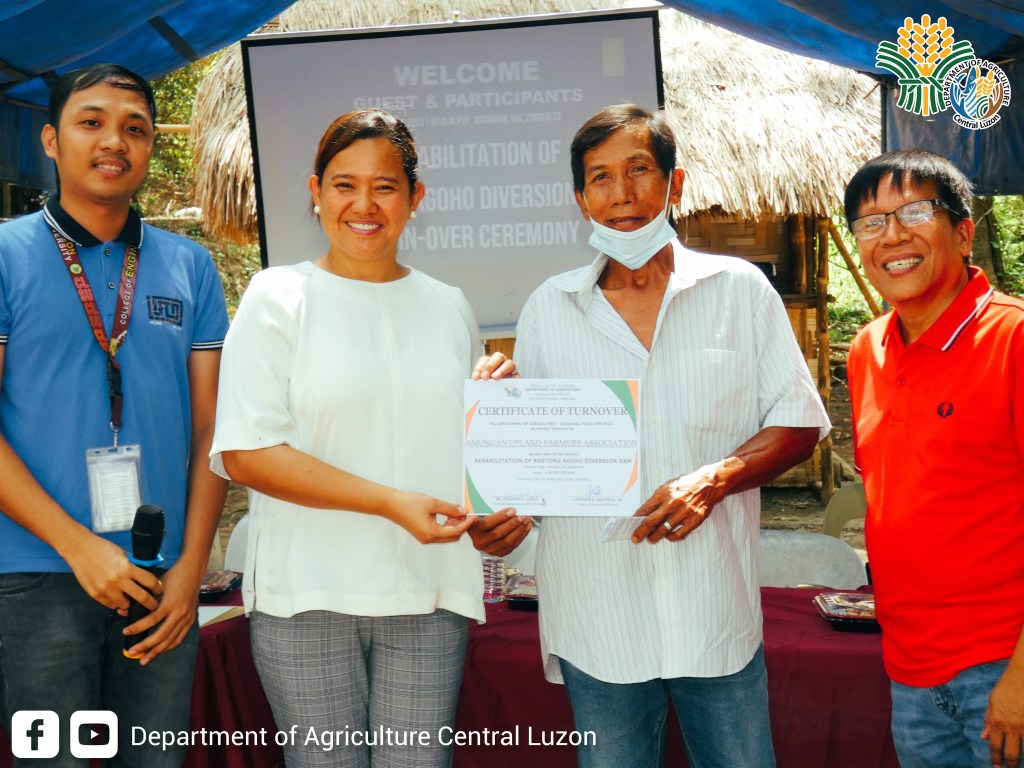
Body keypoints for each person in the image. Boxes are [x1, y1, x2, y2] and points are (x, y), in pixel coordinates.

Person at [209, 109, 530, 768]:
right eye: (343, 184)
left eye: (385, 186)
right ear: (316, 191)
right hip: (307, 598)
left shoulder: (449, 305)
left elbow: (455, 449)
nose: (364, 204)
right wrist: (390, 503)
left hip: (428, 593)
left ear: (415, 198)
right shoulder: (277, 298)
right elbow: (247, 452)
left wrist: (501, 479)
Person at [512, 103, 830, 768]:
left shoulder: (739, 290)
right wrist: (501, 507)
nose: (622, 195)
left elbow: (799, 422)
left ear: (675, 185)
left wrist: (715, 479)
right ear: (580, 199)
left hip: (712, 611)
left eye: (639, 171)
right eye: (600, 178)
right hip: (597, 616)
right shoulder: (549, 306)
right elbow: (534, 465)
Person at [0, 64, 229, 766]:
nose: (113, 141)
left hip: (159, 581)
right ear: (50, 139)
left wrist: (190, 569)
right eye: (91, 121)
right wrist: (77, 546)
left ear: (151, 145)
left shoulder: (190, 266)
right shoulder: (6, 256)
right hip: (36, 576)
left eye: (134, 128)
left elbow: (212, 432)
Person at [844, 148, 1024, 768]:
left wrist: (1021, 681)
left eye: (915, 212)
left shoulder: (1013, 339)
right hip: (911, 671)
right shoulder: (867, 349)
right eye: (871, 223)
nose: (892, 236)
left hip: (1003, 667)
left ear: (964, 231)